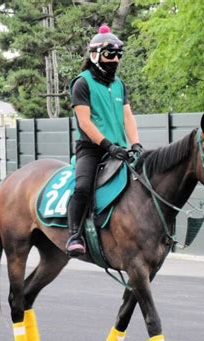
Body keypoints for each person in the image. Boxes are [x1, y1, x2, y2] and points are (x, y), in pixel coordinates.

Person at [66, 25, 143, 256]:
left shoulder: (119, 84)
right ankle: (74, 235)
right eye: (110, 54)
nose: (115, 60)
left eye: (119, 55)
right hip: (92, 149)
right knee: (82, 187)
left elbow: (128, 116)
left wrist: (135, 144)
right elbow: (85, 123)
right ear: (95, 55)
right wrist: (108, 146)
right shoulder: (82, 83)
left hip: (119, 149)